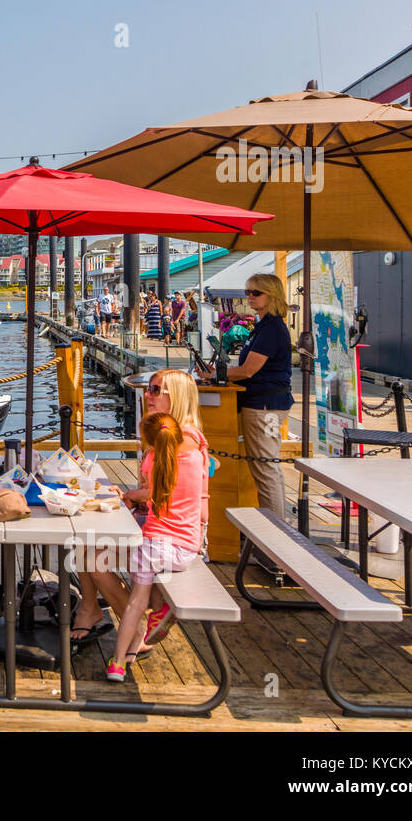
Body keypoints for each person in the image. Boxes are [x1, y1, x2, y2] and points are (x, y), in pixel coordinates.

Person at [72, 368, 209, 647]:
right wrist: (132, 497)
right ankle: (91, 608)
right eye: (149, 388)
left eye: (157, 390)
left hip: (171, 535)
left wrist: (134, 495)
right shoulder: (167, 433)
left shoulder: (183, 439)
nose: (148, 394)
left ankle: (135, 624)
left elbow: (164, 491)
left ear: (178, 397)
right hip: (157, 523)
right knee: (84, 540)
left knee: (92, 560)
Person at [100, 412, 207, 682]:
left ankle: (117, 663)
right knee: (155, 572)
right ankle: (159, 610)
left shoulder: (152, 462)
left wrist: (125, 496)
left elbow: (148, 495)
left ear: (150, 443)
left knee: (135, 601)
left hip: (154, 547)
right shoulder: (196, 460)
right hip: (185, 551)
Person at [219, 273, 294, 520]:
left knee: (266, 468)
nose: (249, 297)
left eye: (256, 293)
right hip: (263, 404)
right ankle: (273, 530)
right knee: (266, 467)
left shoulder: (272, 328)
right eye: (247, 292)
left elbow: (248, 370)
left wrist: (217, 375)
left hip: (266, 407)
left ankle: (275, 536)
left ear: (271, 295)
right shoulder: (263, 325)